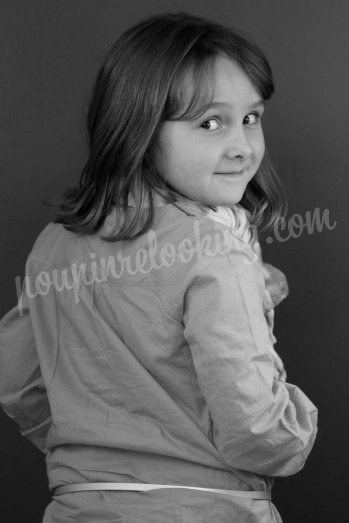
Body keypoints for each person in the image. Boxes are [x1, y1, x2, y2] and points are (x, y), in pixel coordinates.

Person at [0, 11, 318, 523]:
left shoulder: (54, 244)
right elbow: (259, 434)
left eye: (251, 118)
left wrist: (96, 449)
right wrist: (297, 431)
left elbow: (16, 381)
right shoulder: (215, 249)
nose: (242, 146)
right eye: (210, 123)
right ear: (141, 128)